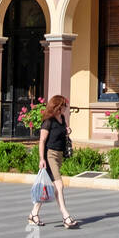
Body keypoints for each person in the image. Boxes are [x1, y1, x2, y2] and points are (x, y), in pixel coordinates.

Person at [29, 95, 78, 228]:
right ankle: (65, 216)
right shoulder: (48, 121)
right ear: (57, 106)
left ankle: (33, 214)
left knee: (47, 186)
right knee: (59, 186)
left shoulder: (62, 118)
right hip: (50, 155)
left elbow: (62, 133)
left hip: (59, 155)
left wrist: (67, 131)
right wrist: (42, 159)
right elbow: (42, 141)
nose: (65, 108)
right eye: (63, 106)